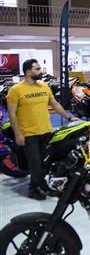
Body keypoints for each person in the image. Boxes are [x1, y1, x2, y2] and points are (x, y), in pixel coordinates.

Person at [6, 59, 79, 200]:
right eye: (37, 69)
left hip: (46, 131)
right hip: (28, 134)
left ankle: (33, 188)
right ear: (28, 72)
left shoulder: (44, 87)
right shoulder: (16, 90)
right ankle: (44, 188)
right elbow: (12, 113)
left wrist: (69, 118)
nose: (41, 71)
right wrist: (18, 134)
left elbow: (55, 105)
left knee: (43, 163)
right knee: (35, 164)